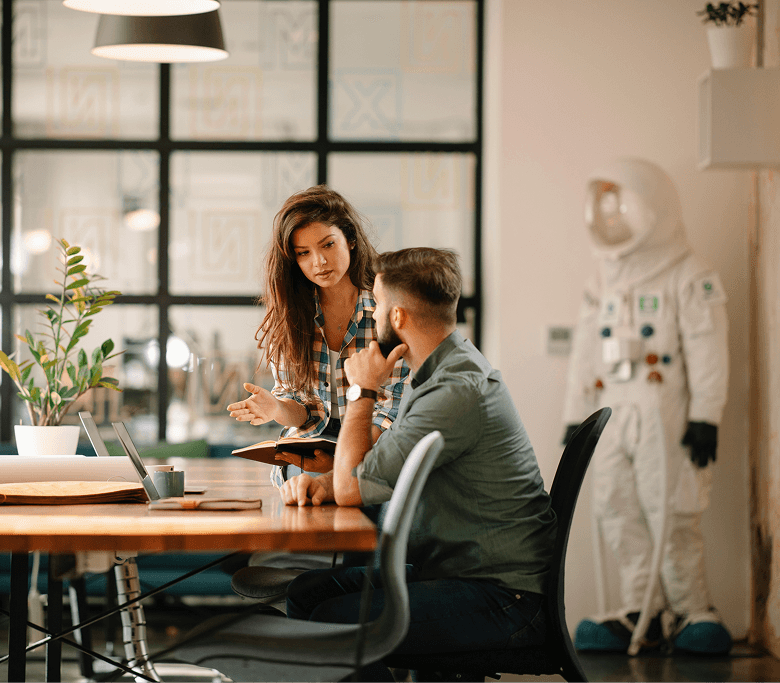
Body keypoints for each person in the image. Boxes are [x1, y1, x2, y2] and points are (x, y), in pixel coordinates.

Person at [280, 247, 557, 678]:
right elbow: (376, 470)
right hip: (459, 571)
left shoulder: (455, 391)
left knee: (331, 622)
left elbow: (354, 487)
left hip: (501, 596)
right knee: (307, 594)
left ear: (399, 318)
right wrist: (331, 481)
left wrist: (362, 390)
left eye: (378, 306)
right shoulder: (437, 370)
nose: (371, 318)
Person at [563, 158, 731, 655]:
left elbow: (708, 348)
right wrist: (577, 414)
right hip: (615, 410)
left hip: (668, 411)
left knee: (672, 509)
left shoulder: (690, 273)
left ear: (653, 209)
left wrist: (707, 414)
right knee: (616, 507)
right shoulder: (605, 278)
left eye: (623, 206)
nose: (612, 218)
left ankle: (692, 610)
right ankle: (643, 609)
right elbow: (585, 350)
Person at [228, 185, 410, 482]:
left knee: (356, 488)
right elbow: (303, 412)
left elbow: (388, 411)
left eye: (328, 245)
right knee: (299, 485)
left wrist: (341, 464)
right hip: (309, 446)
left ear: (350, 240)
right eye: (304, 253)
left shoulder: (385, 313)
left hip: (372, 442)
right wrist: (276, 408)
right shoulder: (290, 318)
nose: (319, 262)